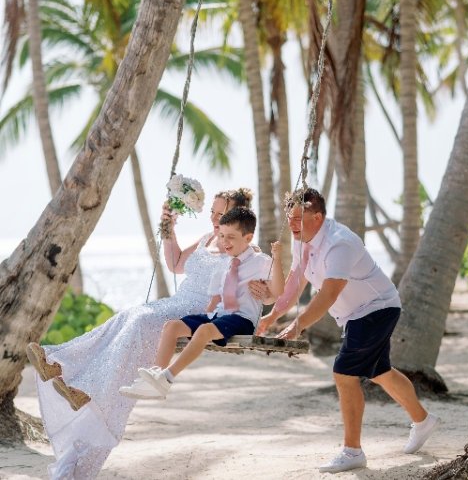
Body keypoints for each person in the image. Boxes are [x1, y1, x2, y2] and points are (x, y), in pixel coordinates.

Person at [25, 188, 255, 480]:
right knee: (127, 315)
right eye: (213, 212)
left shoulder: (243, 250)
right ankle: (61, 366)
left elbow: (259, 277)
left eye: (222, 215)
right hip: (175, 302)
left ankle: (78, 383)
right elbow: (175, 264)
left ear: (237, 218)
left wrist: (265, 295)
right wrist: (168, 228)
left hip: (195, 312)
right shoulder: (209, 239)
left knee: (138, 322)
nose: (215, 220)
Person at [257, 187, 439, 474]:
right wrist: (273, 315)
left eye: (297, 218)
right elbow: (296, 279)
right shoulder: (301, 239)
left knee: (344, 373)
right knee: (380, 372)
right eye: (288, 218)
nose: (291, 224)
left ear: (317, 217)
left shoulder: (339, 243)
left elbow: (327, 295)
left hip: (376, 308)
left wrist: (298, 325)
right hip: (356, 315)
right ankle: (423, 420)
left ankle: (353, 451)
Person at [120, 206, 284, 399]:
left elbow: (278, 291)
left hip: (242, 319)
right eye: (222, 236)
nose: (224, 241)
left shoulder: (260, 261)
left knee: (204, 331)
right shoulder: (224, 263)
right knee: (172, 326)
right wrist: (207, 313)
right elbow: (216, 296)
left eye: (230, 237)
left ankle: (168, 377)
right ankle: (154, 378)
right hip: (219, 315)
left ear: (247, 238)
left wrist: (278, 259)